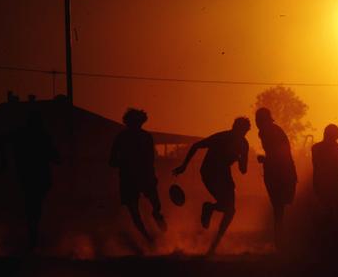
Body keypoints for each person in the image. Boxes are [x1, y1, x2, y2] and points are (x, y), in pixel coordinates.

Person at [172, 117, 250, 255]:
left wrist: (239, 160)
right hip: (210, 172)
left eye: (243, 132)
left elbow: (243, 170)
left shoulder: (243, 144)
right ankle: (213, 241)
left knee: (230, 210)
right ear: (234, 128)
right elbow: (196, 146)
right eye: (240, 131)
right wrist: (184, 166)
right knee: (228, 208)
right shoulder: (221, 137)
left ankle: (214, 236)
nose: (241, 134)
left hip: (224, 174)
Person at [0, 111, 60, 250]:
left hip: (27, 176)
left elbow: (1, 139)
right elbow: (55, 156)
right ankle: (33, 235)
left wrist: (4, 160)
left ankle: (32, 234)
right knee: (34, 206)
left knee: (31, 205)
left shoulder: (22, 134)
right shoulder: (42, 136)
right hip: (38, 177)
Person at [110, 108, 166, 243]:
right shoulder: (142, 136)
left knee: (137, 210)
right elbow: (112, 160)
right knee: (140, 209)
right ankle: (149, 234)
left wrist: (124, 163)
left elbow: (112, 161)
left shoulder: (123, 137)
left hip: (134, 177)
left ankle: (149, 236)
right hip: (138, 176)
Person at [255, 107, 297, 250]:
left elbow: (281, 153)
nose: (257, 123)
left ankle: (281, 241)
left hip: (281, 172)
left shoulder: (269, 132)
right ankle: (280, 240)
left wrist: (266, 160)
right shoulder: (268, 131)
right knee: (279, 207)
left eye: (258, 119)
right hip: (279, 171)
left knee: (279, 207)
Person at [311, 124, 338, 253]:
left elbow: (316, 168)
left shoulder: (315, 149)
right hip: (335, 185)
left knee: (325, 213)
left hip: (323, 185)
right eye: (336, 134)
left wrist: (315, 184)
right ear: (335, 136)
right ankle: (336, 243)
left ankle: (325, 242)